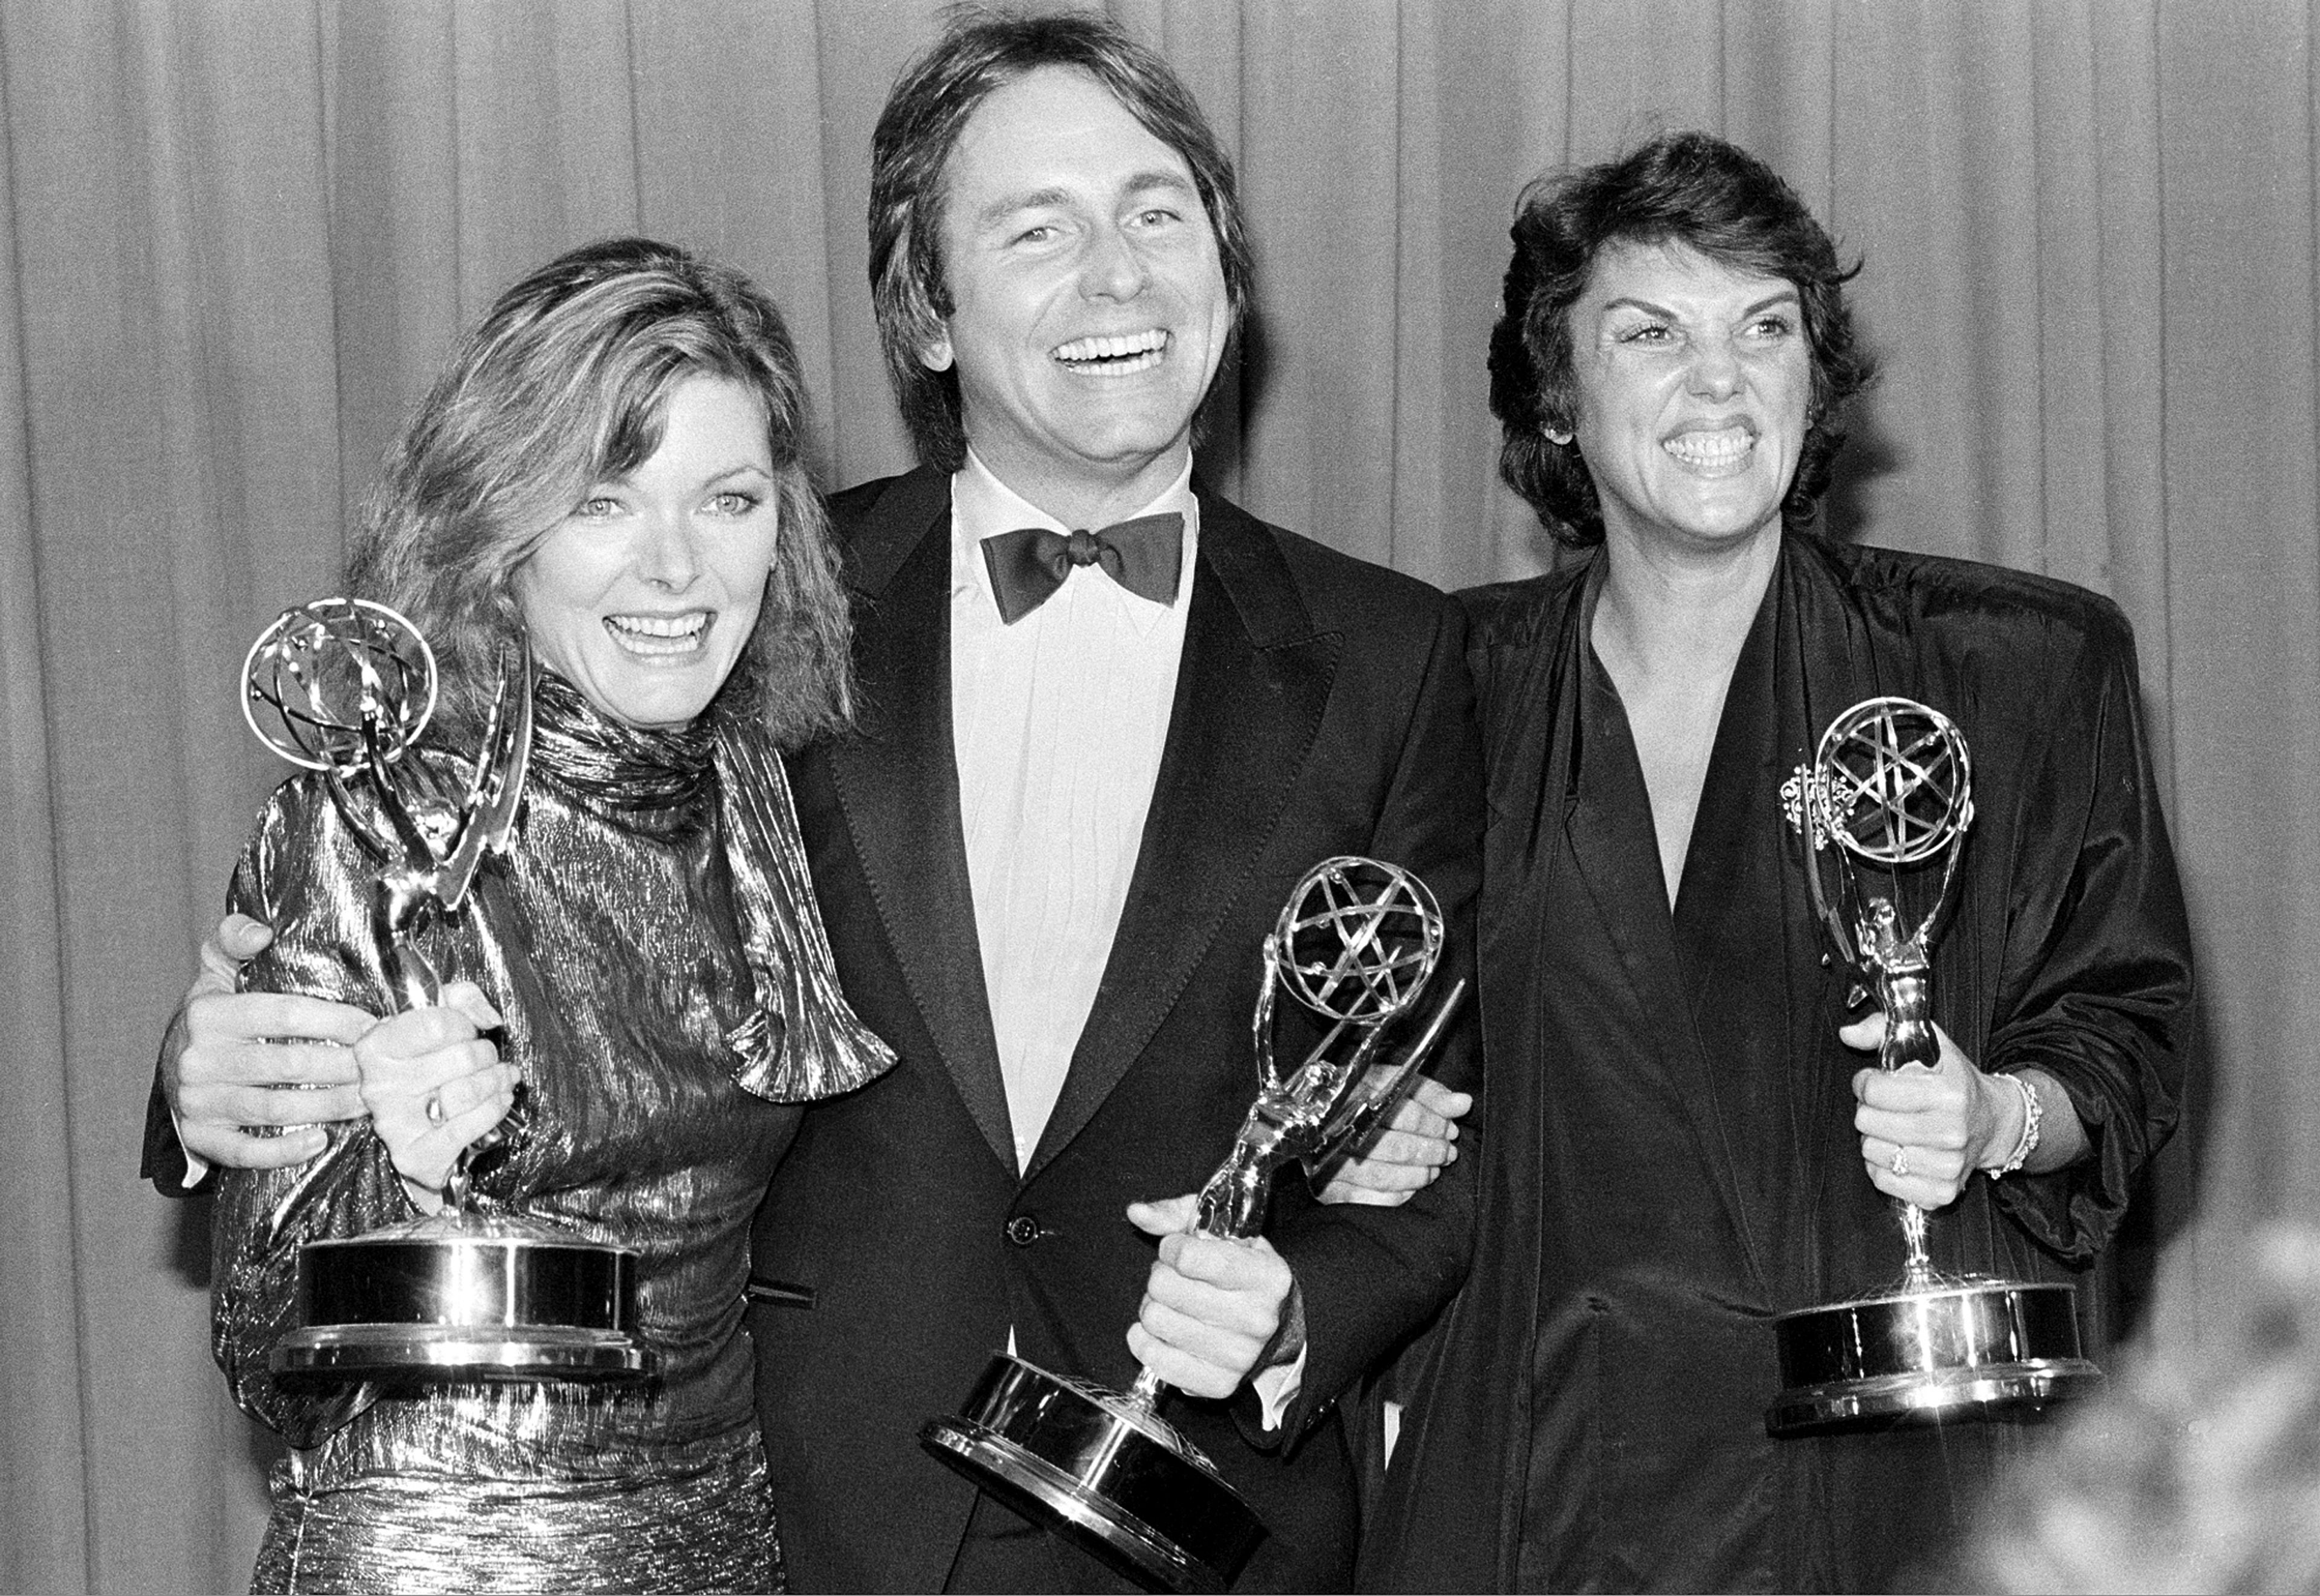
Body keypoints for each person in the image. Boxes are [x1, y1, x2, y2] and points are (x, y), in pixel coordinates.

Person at [150, 13, 1482, 1592]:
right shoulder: (738, 593)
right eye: (1035, 231)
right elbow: (462, 829)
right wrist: (202, 1079)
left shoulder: (1398, 653)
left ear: (1226, 261)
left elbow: (1449, 1138)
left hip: (1198, 1523)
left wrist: (1298, 1301)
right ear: (926, 312)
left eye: (1156, 211)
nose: (1119, 279)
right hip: (803, 1511)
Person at [1357, 132, 2195, 1592]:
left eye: (1764, 328)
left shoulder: (2020, 667)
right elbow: (1379, 1039)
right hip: (1541, 1477)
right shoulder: (1444, 685)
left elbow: (2125, 1042)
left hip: (1884, 1476)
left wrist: (1999, 1112)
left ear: (1816, 382)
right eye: (1650, 333)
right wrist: (1374, 1130)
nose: (1719, 378)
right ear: (1558, 397)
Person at [205, 237, 895, 1592]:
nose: (675, 565)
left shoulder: (756, 789)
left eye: (729, 499)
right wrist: (387, 1181)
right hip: (448, 1546)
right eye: (603, 503)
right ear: (499, 532)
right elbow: (255, 1330)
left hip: (722, 1529)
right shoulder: (374, 818)